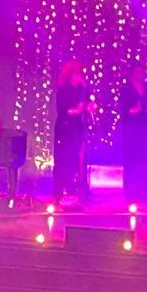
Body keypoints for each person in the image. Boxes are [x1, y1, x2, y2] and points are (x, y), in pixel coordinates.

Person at [53, 60, 92, 203]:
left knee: (78, 158)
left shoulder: (82, 90)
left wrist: (88, 107)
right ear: (70, 75)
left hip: (77, 126)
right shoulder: (63, 89)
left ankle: (76, 189)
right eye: (76, 74)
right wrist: (76, 110)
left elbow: (88, 103)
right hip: (65, 127)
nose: (79, 77)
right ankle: (60, 191)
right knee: (64, 158)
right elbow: (62, 109)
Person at [122, 67, 147, 203]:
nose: (140, 75)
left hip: (143, 126)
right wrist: (134, 110)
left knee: (143, 158)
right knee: (131, 159)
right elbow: (125, 109)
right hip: (131, 127)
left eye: (141, 73)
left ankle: (143, 191)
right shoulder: (126, 89)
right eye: (137, 73)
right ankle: (130, 192)